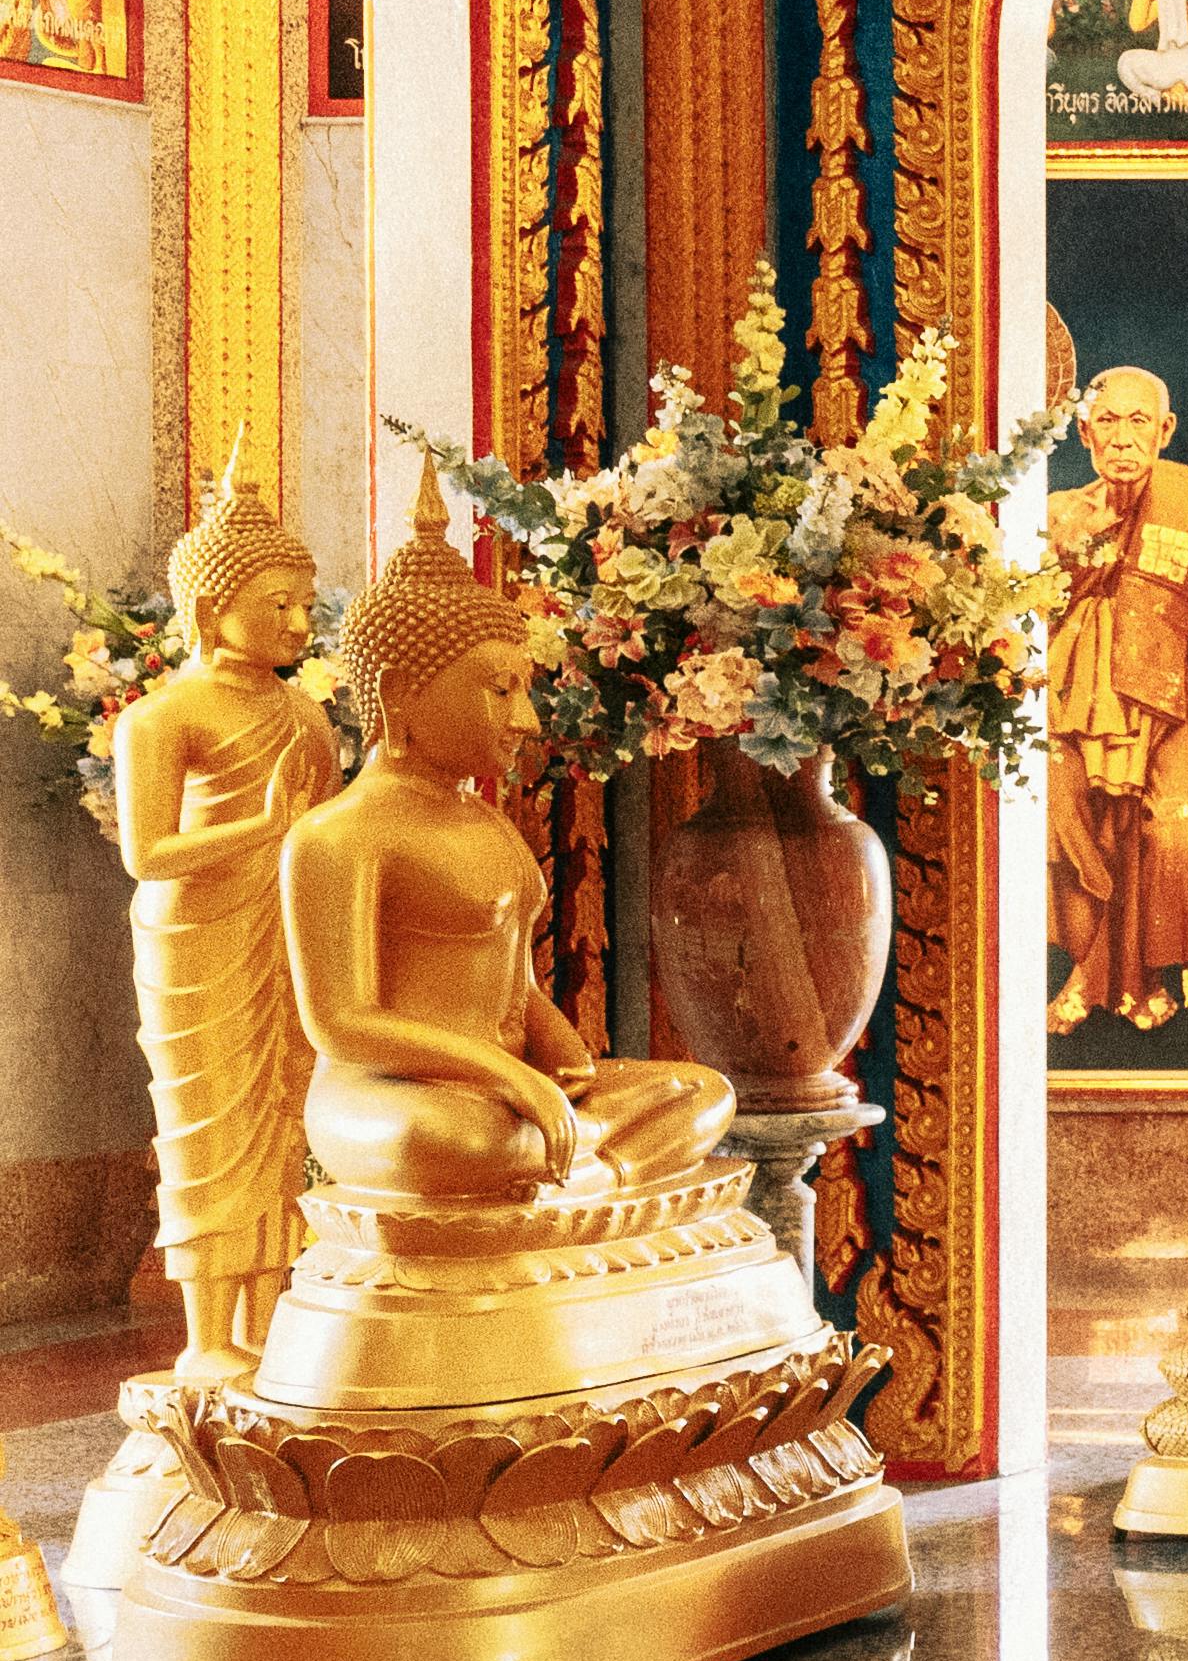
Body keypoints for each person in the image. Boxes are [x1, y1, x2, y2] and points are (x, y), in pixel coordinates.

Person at [291, 472, 730, 1201]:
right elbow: (343, 1023)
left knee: (703, 1092)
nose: (525, 719)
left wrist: (562, 1058)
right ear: (400, 692)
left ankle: (577, 1175)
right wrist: (503, 1074)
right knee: (454, 1143)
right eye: (500, 690)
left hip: (514, 1090)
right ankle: (589, 1172)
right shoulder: (339, 835)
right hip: (394, 1096)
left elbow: (513, 982)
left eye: (524, 689)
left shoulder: (486, 820)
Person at [116, 455, 334, 1376]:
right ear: (210, 610)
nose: (296, 621)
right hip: (196, 937)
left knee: (282, 1118)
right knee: (210, 1129)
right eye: (275, 603)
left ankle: (267, 1325)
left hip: (284, 927)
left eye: (302, 605)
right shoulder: (163, 717)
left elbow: (324, 831)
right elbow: (146, 855)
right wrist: (260, 827)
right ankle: (209, 1340)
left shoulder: (306, 714)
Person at [1045, 362, 1188, 1033]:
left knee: (1180, 829)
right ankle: (1117, 976)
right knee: (1056, 817)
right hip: (1072, 706)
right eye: (1108, 421)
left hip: (1171, 704)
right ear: (1083, 432)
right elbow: (1019, 628)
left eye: (1140, 421)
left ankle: (1105, 978)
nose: (1124, 437)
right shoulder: (1057, 516)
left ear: (1165, 431)